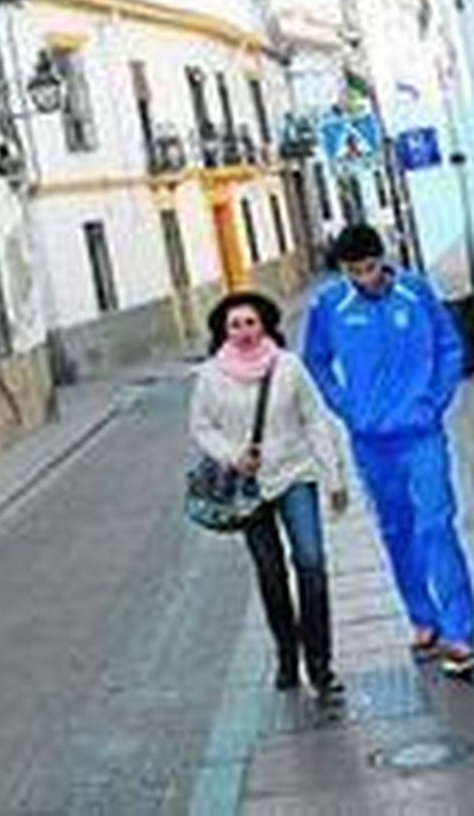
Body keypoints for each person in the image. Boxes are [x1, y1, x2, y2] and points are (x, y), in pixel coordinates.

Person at [303, 222, 474, 679]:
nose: (365, 278)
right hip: (371, 440)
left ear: (383, 259)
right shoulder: (329, 305)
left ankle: (461, 634)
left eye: (370, 267)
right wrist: (348, 408)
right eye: (353, 271)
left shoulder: (415, 292)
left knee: (436, 525)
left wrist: (434, 400)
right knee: (396, 529)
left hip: (421, 434)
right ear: (342, 270)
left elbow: (448, 345)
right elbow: (317, 362)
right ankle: (423, 618)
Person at [190, 290, 348, 699]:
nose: (243, 331)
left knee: (311, 564)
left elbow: (315, 419)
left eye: (250, 323)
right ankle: (286, 653)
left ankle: (321, 665)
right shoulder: (210, 375)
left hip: (295, 475)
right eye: (235, 325)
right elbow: (202, 427)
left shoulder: (288, 367)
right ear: (223, 331)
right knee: (270, 572)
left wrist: (334, 476)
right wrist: (231, 455)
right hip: (248, 488)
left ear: (265, 325)